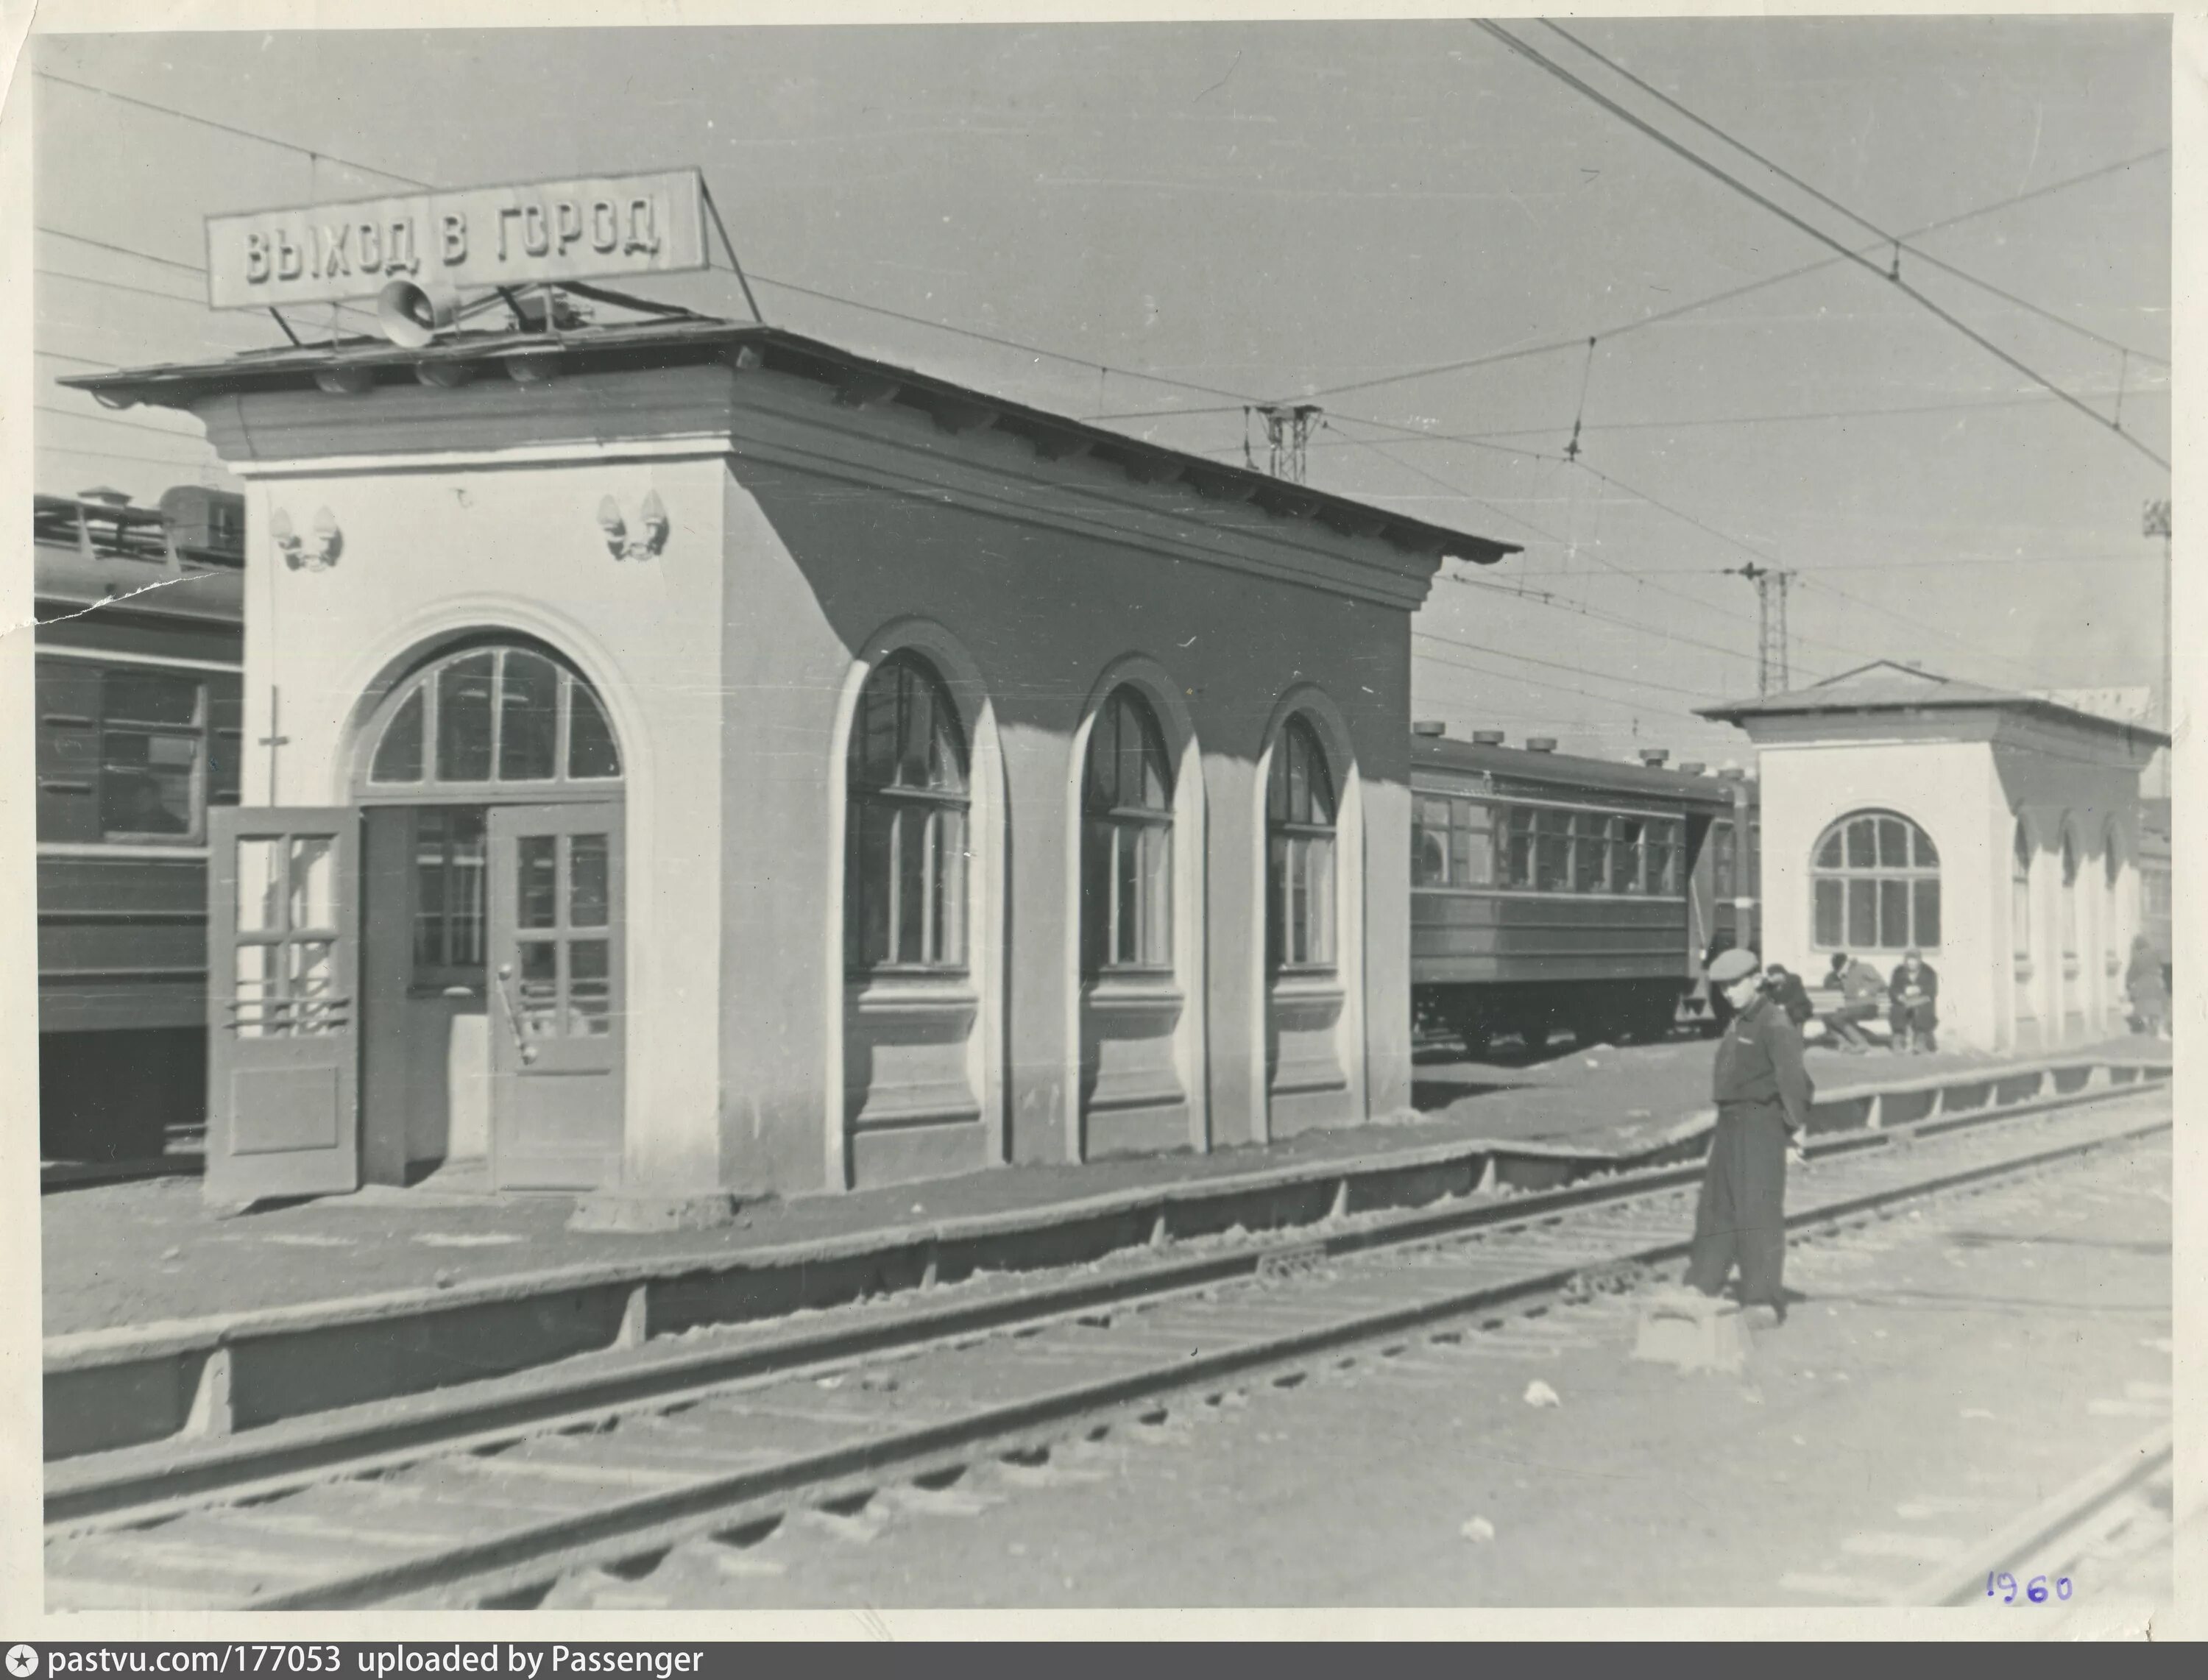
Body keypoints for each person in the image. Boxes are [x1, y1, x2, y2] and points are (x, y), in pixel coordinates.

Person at [1685, 949, 1812, 1328]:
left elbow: (1794, 1083)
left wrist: (1793, 1135)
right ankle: (1704, 1283)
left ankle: (1762, 1299)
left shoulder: (1774, 1024)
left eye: (1735, 983)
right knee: (1717, 1205)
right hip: (1731, 1123)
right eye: (1723, 986)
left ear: (1756, 980)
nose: (1728, 992)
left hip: (1761, 1123)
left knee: (1758, 1209)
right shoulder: (1741, 1021)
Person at [1822, 951, 1886, 1053]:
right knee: (1827, 1018)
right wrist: (1837, 977)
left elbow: (1881, 983)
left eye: (1842, 968)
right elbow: (1827, 984)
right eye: (1839, 969)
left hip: (1868, 1005)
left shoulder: (1864, 968)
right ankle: (1844, 1044)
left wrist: (1868, 990)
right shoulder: (1841, 975)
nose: (1842, 971)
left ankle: (1861, 1043)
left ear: (1847, 963)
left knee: (1838, 1018)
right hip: (1851, 1007)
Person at [1889, 949, 1939, 1052]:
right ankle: (1898, 1039)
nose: (1911, 963)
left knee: (1923, 1010)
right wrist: (1899, 996)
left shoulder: (1929, 972)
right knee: (1897, 1009)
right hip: (1904, 1001)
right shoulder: (1898, 971)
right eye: (1909, 961)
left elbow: (1932, 991)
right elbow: (1893, 989)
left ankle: (1920, 1041)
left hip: (1922, 1001)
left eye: (1914, 961)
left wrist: (1919, 989)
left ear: (1919, 961)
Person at [2126, 935, 2171, 1039]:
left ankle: (2148, 1027)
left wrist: (2129, 983)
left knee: (2144, 1004)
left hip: (2143, 982)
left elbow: (2132, 972)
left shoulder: (2136, 955)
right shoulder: (2155, 953)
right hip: (2157, 981)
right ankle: (2155, 1025)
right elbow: (2163, 967)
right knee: (2158, 1004)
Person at [1763, 963, 1816, 1029]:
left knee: (1796, 1014)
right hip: (1780, 1010)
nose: (1769, 978)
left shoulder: (1794, 980)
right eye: (1769, 976)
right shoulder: (1770, 985)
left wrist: (1785, 1007)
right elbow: (1767, 999)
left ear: (1780, 974)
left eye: (1771, 975)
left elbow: (1800, 998)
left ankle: (1796, 1036)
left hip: (1798, 1007)